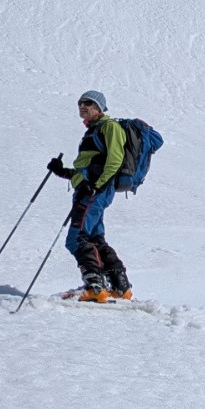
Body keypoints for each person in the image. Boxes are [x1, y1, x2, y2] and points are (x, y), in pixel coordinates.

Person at [46, 90, 132, 302]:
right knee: (94, 238)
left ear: (100, 108)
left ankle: (95, 286)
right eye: (80, 103)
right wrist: (63, 171)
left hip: (95, 192)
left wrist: (96, 186)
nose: (83, 106)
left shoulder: (110, 127)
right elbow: (88, 168)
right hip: (90, 190)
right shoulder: (94, 130)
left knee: (76, 239)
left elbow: (115, 160)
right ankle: (120, 286)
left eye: (89, 103)